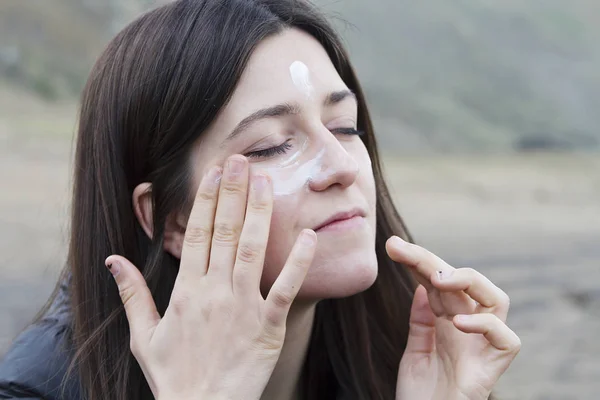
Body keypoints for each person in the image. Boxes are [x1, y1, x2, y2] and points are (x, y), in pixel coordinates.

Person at [0, 0, 521, 399]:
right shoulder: (35, 389)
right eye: (272, 145)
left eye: (344, 126)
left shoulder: (399, 350)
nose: (342, 167)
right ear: (171, 219)